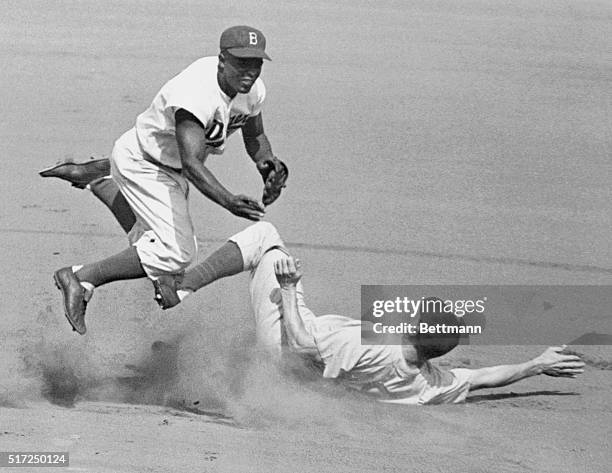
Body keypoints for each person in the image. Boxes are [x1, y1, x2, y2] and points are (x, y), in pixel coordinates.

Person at [151, 221, 586, 405]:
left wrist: (287, 291)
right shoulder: (428, 383)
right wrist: (535, 366)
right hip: (314, 381)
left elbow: (303, 346)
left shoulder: (372, 343)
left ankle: (182, 288)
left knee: (266, 238)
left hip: (286, 353)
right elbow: (484, 378)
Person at [40, 25, 287, 335]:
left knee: (156, 249)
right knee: (176, 252)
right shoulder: (196, 93)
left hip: (166, 169)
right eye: (242, 63)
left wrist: (268, 166)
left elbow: (256, 136)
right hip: (146, 166)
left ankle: (102, 179)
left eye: (256, 63)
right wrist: (228, 200)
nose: (250, 72)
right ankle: (80, 278)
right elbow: (193, 164)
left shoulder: (252, 90)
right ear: (222, 60)